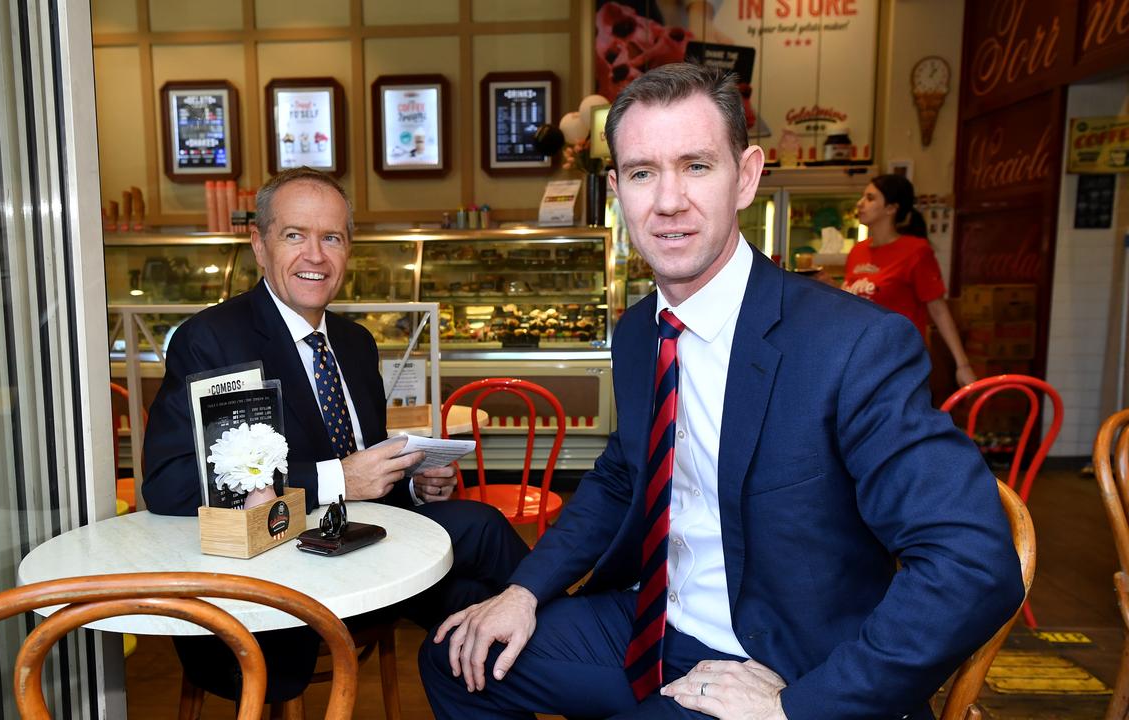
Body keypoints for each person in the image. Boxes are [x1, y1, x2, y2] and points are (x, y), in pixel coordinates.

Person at [419, 64, 1022, 720]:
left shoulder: (850, 345)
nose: (668, 200)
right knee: (455, 658)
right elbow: (624, 475)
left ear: (748, 176)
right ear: (617, 190)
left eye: (697, 166)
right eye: (644, 173)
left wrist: (802, 706)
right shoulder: (637, 334)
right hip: (652, 624)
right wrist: (525, 590)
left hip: (782, 663)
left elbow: (974, 561)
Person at [141, 166, 529, 703]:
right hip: (287, 556)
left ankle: (561, 656)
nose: (316, 256)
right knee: (471, 590)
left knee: (482, 571)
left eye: (332, 238)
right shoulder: (211, 339)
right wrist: (338, 479)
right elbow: (170, 485)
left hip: (366, 539)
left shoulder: (354, 342)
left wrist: (415, 482)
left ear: (349, 250)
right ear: (258, 244)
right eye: (294, 235)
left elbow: (365, 461)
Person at [844, 174, 978, 387]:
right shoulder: (857, 252)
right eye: (862, 197)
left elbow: (938, 309)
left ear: (891, 208)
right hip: (861, 361)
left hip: (900, 362)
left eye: (870, 198)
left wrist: (962, 364)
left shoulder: (915, 251)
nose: (860, 203)